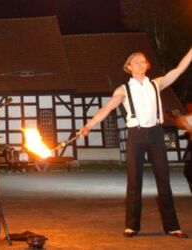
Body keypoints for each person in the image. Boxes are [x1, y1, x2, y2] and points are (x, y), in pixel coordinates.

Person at [80, 47, 192, 239]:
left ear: (147, 66)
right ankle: (132, 226)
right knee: (134, 182)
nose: (142, 63)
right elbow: (107, 108)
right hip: (136, 135)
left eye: (144, 61)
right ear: (129, 67)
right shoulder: (123, 90)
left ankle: (172, 226)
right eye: (137, 61)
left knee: (164, 181)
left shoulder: (157, 84)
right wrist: (89, 125)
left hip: (156, 134)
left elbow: (179, 69)